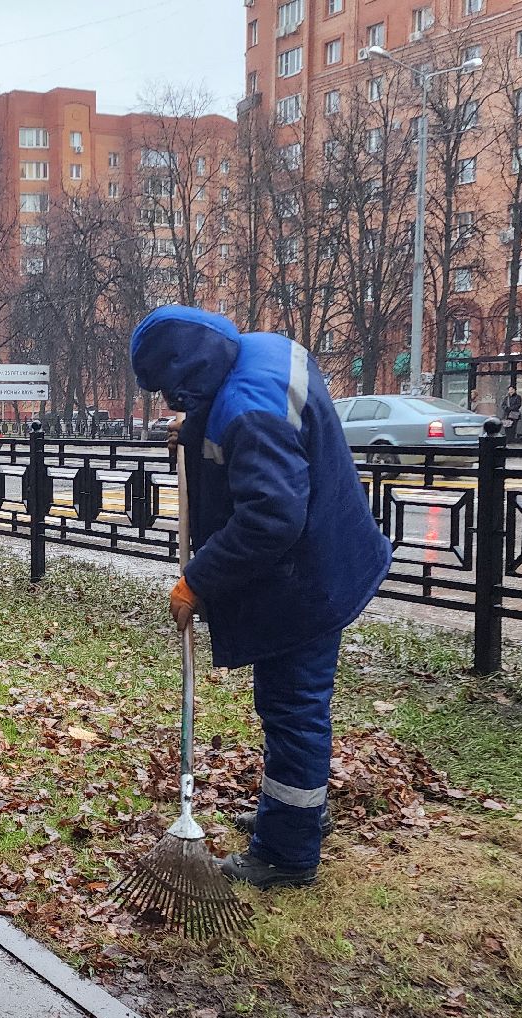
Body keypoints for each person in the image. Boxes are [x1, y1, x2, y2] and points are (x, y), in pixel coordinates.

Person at [131, 306, 391, 890]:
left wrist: (197, 580)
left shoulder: (247, 411)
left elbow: (270, 518)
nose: (172, 405)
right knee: (291, 704)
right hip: (329, 552)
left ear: (186, 374)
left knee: (292, 707)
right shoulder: (267, 350)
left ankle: (286, 851)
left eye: (173, 395)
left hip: (307, 580)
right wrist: (196, 427)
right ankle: (295, 811)